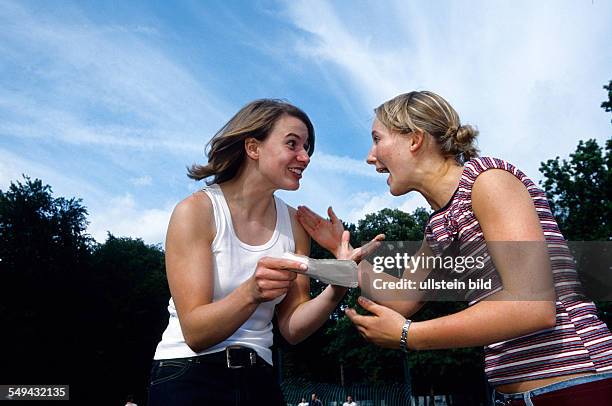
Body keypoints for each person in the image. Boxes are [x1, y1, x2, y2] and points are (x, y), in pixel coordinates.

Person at [297, 91, 612, 405]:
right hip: (514, 395)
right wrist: (343, 255)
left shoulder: (489, 182)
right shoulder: (441, 223)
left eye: (377, 139)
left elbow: (532, 307)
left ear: (415, 139)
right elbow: (403, 299)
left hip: (580, 383)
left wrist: (410, 335)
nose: (370, 156)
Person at [148, 99, 353, 406]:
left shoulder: (295, 225)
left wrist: (338, 284)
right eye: (293, 144)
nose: (305, 157)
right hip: (186, 376)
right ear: (253, 148)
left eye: (307, 147)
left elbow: (292, 328)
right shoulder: (196, 212)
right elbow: (195, 332)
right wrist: (251, 292)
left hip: (260, 379)